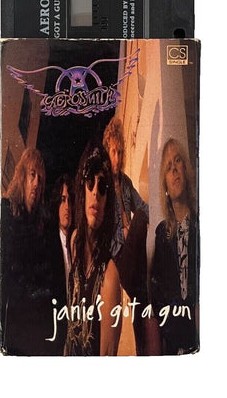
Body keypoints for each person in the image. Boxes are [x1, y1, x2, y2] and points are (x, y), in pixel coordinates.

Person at [0, 148, 66, 355]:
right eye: (32, 175)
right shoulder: (5, 213)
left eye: (40, 179)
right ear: (22, 177)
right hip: (9, 332)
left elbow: (57, 285)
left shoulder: (45, 227)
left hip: (36, 336)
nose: (36, 183)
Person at [64, 140, 121, 356]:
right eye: (90, 181)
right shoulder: (74, 242)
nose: (95, 191)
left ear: (108, 201)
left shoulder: (110, 277)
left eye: (102, 186)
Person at [103, 116, 150, 354]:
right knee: (141, 292)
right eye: (113, 152)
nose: (117, 158)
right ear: (107, 152)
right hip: (118, 256)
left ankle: (143, 352)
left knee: (141, 297)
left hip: (132, 253)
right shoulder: (103, 185)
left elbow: (143, 206)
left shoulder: (126, 182)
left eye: (120, 152)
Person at [150, 138, 199, 355]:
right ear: (166, 187)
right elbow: (158, 297)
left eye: (178, 161)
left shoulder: (200, 225)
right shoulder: (162, 234)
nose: (174, 169)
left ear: (186, 170)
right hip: (173, 347)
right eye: (168, 167)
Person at [51, 173, 74, 292]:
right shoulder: (50, 244)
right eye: (63, 200)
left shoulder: (77, 244)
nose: (67, 207)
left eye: (70, 201)